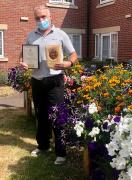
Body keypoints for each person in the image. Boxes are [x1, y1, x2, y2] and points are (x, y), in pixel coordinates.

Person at [20, 5, 78, 164]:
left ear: (50, 16)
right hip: (37, 81)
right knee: (41, 115)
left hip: (55, 82)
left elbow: (73, 54)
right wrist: (23, 62)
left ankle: (61, 152)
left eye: (44, 17)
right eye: (38, 18)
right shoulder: (31, 36)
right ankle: (43, 146)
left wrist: (68, 63)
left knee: (58, 116)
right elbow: (23, 55)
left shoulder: (60, 34)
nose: (41, 20)